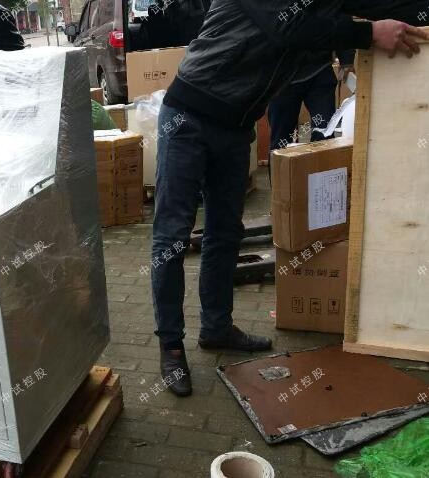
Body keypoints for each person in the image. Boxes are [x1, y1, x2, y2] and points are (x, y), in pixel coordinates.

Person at [153, 0, 429, 397]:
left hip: (235, 128)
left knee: (225, 234)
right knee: (173, 237)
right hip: (189, 116)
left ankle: (216, 328)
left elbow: (380, 3)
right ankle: (171, 346)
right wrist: (369, 32)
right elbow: (290, 27)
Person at [269, 50, 355, 151]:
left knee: (324, 134)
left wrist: (347, 60)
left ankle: (322, 160)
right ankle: (279, 160)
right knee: (280, 142)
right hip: (282, 74)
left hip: (319, 69)